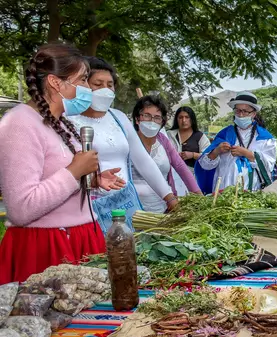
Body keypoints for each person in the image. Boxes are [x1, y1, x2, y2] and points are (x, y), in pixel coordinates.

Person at [0, 44, 124, 284]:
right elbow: (21, 209)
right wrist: (74, 172)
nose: (88, 88)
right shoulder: (19, 123)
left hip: (81, 238)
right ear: (56, 82)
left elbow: (57, 177)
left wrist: (92, 179)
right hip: (46, 249)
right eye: (83, 80)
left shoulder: (62, 122)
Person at [68, 57, 177, 232]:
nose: (105, 90)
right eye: (98, 84)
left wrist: (169, 197)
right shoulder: (69, 120)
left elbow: (142, 160)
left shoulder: (117, 117)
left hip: (125, 203)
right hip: (88, 207)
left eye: (110, 85)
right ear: (84, 86)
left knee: (128, 253)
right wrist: (93, 179)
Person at [195, 92, 277, 194]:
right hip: (223, 191)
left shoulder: (265, 138)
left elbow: (268, 167)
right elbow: (204, 165)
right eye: (238, 111)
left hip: (252, 192)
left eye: (245, 111)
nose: (241, 115)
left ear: (254, 114)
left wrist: (247, 153)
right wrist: (216, 151)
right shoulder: (224, 134)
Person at [131, 96, 201, 213]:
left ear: (162, 122)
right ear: (138, 119)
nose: (152, 121)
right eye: (147, 116)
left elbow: (181, 167)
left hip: (161, 209)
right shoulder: (127, 141)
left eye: (157, 117)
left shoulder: (163, 141)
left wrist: (199, 197)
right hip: (131, 210)